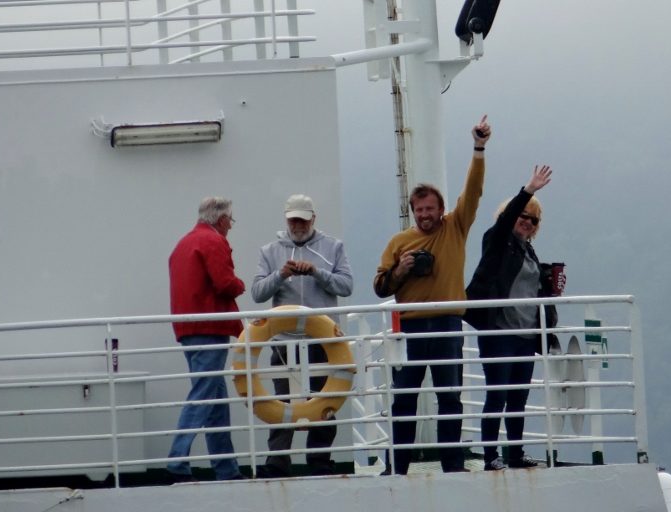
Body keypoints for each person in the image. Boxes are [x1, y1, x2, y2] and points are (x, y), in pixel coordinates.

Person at [372, 116, 491, 475]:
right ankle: (397, 466)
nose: (425, 215)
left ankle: (453, 466)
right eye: (419, 210)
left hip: (447, 324)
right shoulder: (399, 242)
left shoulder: (455, 227)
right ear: (413, 212)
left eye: (431, 209)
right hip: (409, 327)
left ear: (441, 210)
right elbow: (379, 287)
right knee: (404, 399)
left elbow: (473, 192)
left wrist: (479, 148)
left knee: (449, 398)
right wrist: (401, 270)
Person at [250, 194, 354, 477]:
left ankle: (319, 460)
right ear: (286, 219)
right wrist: (280, 275)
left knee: (325, 401)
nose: (298, 224)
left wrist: (318, 273)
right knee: (281, 403)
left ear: (313, 218)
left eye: (302, 219)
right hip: (285, 342)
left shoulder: (333, 247)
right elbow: (258, 293)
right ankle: (277, 463)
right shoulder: (270, 251)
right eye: (293, 219)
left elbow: (347, 286)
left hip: (323, 342)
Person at [463, 165, 558, 471]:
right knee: (497, 395)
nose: (528, 222)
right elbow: (505, 223)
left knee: (518, 398)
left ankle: (514, 454)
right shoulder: (497, 240)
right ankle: (491, 455)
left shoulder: (529, 253)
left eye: (534, 220)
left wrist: (552, 288)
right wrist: (528, 190)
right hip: (499, 332)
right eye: (523, 216)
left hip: (525, 335)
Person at [166, 196, 246, 482]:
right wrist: (241, 284)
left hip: (187, 329)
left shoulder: (183, 243)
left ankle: (227, 470)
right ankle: (177, 457)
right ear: (222, 219)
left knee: (216, 400)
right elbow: (225, 283)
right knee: (203, 393)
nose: (231, 227)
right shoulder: (213, 241)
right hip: (210, 327)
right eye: (231, 221)